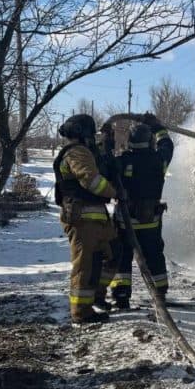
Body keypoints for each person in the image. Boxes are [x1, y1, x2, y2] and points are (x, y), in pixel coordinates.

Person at [53, 114, 118, 323]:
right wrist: (114, 192)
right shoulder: (77, 153)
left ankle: (96, 296)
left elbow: (98, 159)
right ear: (83, 133)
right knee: (85, 266)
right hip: (82, 220)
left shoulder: (84, 151)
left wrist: (107, 142)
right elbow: (91, 180)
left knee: (112, 254)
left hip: (95, 220)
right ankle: (81, 312)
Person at [110, 113, 174, 308]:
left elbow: (104, 163)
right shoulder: (158, 160)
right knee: (154, 256)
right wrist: (158, 127)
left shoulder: (120, 161)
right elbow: (168, 145)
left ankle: (121, 296)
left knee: (122, 258)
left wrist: (106, 139)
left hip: (125, 221)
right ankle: (159, 294)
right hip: (150, 221)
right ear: (149, 141)